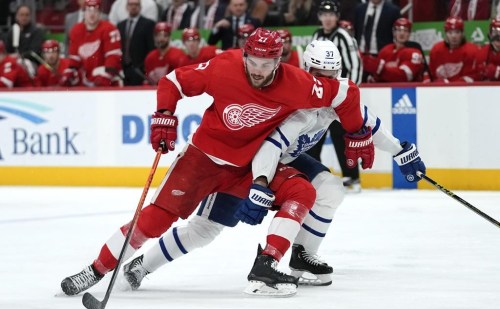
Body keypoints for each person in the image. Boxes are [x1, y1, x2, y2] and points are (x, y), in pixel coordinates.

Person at [60, 28, 370, 297]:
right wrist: (165, 115)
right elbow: (172, 82)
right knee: (154, 221)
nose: (259, 70)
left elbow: (346, 92)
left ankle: (269, 264)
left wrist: (357, 131)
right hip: (201, 159)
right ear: (244, 56)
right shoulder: (224, 66)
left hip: (247, 168)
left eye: (267, 64)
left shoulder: (298, 83)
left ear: (279, 61)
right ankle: (95, 270)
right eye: (253, 62)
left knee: (296, 194)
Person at [120, 40, 426, 293]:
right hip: (251, 164)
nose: (329, 81)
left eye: (334, 73)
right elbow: (270, 147)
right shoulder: (298, 101)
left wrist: (402, 151)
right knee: (206, 229)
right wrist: (261, 183)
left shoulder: (333, 96)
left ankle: (300, 256)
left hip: (286, 162)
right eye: (322, 73)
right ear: (309, 70)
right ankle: (143, 264)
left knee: (330, 190)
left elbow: (368, 124)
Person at [308, 0, 363, 192]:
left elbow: (356, 65)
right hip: (320, 100)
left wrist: (347, 96)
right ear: (319, 17)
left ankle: (352, 178)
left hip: (339, 100)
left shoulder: (343, 36)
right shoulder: (316, 35)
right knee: (313, 138)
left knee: (342, 139)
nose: (328, 18)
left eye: (331, 14)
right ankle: (314, 176)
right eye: (324, 14)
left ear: (337, 17)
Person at [66, 0, 123, 87]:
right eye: (89, 11)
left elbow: (113, 57)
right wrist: (70, 73)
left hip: (109, 79)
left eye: (95, 11)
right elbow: (74, 59)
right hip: (87, 80)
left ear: (100, 13)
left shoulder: (110, 29)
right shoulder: (76, 30)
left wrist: (106, 76)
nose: (92, 14)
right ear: (84, 12)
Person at [362, 18, 425, 82]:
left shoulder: (415, 53)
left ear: (409, 33)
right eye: (398, 30)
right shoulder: (384, 50)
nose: (402, 33)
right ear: (393, 32)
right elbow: (375, 78)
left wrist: (380, 69)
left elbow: (404, 76)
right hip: (385, 90)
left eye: (405, 30)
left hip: (408, 90)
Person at [428, 16, 479, 83]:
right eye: (450, 32)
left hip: (464, 91)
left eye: (457, 32)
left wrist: (451, 86)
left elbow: (471, 77)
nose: (453, 36)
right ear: (445, 33)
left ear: (462, 33)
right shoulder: (436, 50)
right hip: (440, 90)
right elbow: (430, 74)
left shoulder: (472, 51)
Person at [117, 0, 156, 86]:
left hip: (140, 70)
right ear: (126, 7)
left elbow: (151, 48)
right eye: (131, 4)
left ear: (140, 7)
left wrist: (145, 67)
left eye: (136, 4)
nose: (133, 7)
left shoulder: (148, 24)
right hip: (123, 69)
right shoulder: (120, 25)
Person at [3, 4, 46, 78]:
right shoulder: (12, 31)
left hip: (31, 63)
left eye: (26, 15)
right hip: (13, 62)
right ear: (17, 16)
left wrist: (19, 56)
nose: (24, 17)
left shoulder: (36, 31)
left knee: (24, 64)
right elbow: (6, 50)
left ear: (30, 16)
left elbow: (34, 52)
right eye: (21, 15)